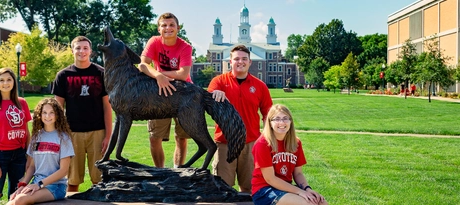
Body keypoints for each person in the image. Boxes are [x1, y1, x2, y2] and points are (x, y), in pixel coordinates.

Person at [208, 44, 273, 193]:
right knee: (222, 189)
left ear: (250, 62)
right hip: (225, 143)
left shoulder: (260, 86)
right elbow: (207, 104)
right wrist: (215, 96)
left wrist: (267, 138)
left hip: (251, 143)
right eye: (236, 58)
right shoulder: (218, 82)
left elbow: (268, 115)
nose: (240, 62)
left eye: (244, 59)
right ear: (230, 61)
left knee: (250, 188)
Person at [52, 36, 112, 192]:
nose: (82, 51)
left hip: (98, 132)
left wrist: (108, 136)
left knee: (100, 181)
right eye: (78, 48)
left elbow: (107, 107)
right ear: (72, 50)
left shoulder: (101, 73)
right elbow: (57, 109)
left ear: (91, 51)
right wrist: (59, 136)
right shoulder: (63, 75)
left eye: (85, 48)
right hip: (72, 133)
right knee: (72, 181)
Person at [136, 12, 193, 168]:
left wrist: (159, 74)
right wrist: (158, 77)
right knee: (155, 137)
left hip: (183, 93)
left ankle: (178, 170)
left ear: (178, 28)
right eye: (164, 25)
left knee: (181, 137)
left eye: (171, 25)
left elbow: (183, 74)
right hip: (159, 92)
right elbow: (142, 65)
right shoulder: (154, 42)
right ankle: (160, 172)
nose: (168, 28)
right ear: (159, 28)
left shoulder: (185, 46)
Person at [251, 104, 327, 205]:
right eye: (276, 119)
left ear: (290, 121)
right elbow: (270, 179)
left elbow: (298, 173)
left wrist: (307, 189)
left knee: (321, 202)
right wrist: (300, 192)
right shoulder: (263, 144)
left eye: (285, 118)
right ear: (269, 122)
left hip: (286, 188)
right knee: (307, 203)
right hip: (264, 191)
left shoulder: (296, 143)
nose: (282, 122)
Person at [8, 98, 75, 205]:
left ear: (57, 115)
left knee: (20, 200)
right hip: (37, 183)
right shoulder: (36, 137)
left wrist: (39, 184)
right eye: (44, 112)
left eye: (51, 113)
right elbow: (32, 167)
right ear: (40, 114)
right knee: (12, 200)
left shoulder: (63, 138)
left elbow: (63, 171)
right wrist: (22, 185)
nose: (47, 116)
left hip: (56, 186)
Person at [0, 67, 32, 205]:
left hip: (20, 155)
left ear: (14, 82)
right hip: (0, 155)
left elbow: (26, 131)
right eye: (2, 80)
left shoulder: (22, 103)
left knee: (16, 196)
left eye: (9, 79)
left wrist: (28, 156)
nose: (6, 83)